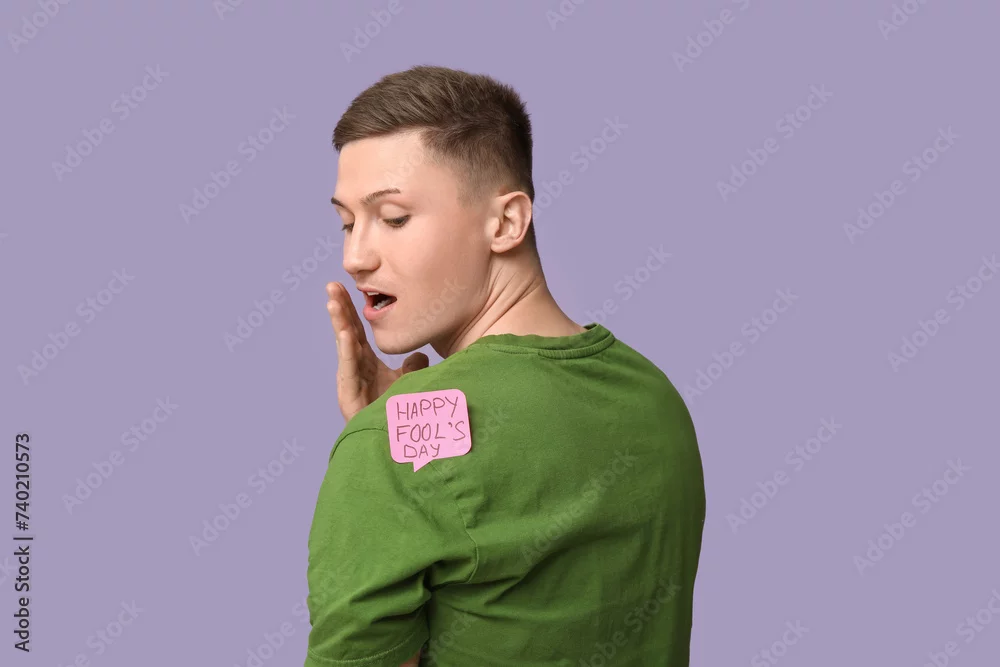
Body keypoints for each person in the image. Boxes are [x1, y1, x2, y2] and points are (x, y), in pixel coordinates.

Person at [305, 64, 706, 667]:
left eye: (393, 218)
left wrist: (378, 455)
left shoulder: (388, 445)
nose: (355, 256)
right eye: (346, 222)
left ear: (506, 222)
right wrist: (388, 446)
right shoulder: (654, 396)